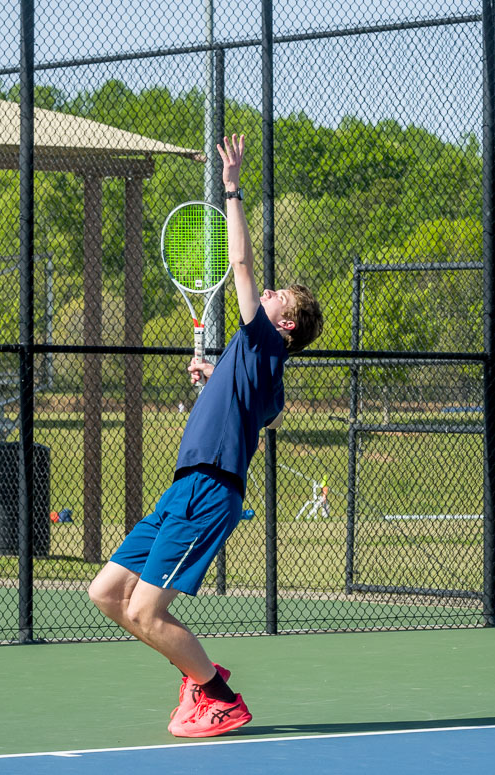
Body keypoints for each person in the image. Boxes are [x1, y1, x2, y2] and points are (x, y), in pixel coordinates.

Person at [87, 134, 323, 739]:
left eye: (276, 297)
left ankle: (219, 696)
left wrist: (233, 187)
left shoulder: (268, 346)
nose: (263, 291)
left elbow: (240, 264)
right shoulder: (252, 359)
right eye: (266, 291)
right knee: (108, 593)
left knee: (146, 608)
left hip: (208, 492)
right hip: (183, 488)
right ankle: (199, 677)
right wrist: (213, 375)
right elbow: (243, 410)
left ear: (286, 324)